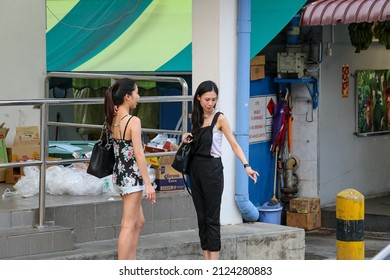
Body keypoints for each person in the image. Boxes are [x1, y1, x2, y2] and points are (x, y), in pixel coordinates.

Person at [182, 80, 259, 260]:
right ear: (199, 98)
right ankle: (206, 258)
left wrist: (247, 166)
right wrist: (186, 136)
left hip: (212, 170)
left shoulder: (220, 118)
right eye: (207, 99)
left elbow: (234, 144)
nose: (210, 103)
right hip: (195, 169)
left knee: (212, 217)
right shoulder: (195, 117)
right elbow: (193, 141)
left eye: (214, 99)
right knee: (201, 218)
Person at [104, 78, 156, 260]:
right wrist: (148, 184)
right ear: (127, 97)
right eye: (136, 93)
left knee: (138, 221)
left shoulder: (114, 119)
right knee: (127, 225)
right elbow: (139, 155)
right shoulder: (133, 121)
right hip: (132, 178)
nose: (138, 97)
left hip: (119, 176)